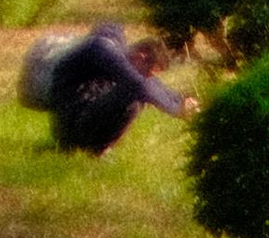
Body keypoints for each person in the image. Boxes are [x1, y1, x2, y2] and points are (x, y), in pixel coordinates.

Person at [45, 25, 191, 159]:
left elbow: (150, 83)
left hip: (83, 115)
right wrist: (177, 109)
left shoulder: (121, 57)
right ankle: (96, 151)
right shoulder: (102, 50)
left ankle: (97, 149)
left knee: (139, 92)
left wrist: (181, 100)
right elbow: (139, 84)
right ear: (139, 57)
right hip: (70, 126)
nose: (147, 77)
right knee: (134, 94)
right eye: (148, 72)